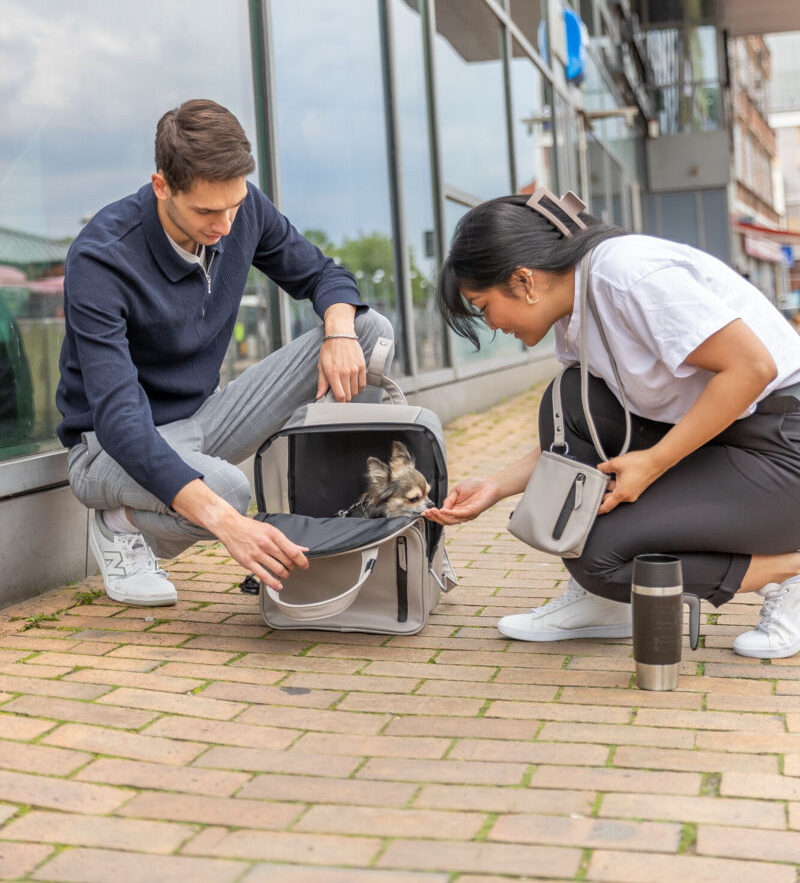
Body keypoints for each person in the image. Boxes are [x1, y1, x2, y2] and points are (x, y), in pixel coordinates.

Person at [426, 189, 800, 660]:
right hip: (731, 437)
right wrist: (496, 486)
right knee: (570, 402)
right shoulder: (577, 310)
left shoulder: (627, 275)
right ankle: (605, 606)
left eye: (483, 307)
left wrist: (656, 462)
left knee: (598, 555)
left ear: (524, 281)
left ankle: (788, 571)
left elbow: (752, 368)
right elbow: (574, 433)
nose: (492, 325)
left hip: (783, 446)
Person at [57, 99, 392, 606]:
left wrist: (340, 332)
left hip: (202, 419)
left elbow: (325, 274)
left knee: (368, 327)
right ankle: (120, 524)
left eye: (233, 206)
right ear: (161, 187)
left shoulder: (242, 209)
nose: (226, 225)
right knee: (229, 492)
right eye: (207, 212)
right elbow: (121, 420)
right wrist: (230, 526)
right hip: (108, 447)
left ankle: (192, 492)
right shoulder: (101, 258)